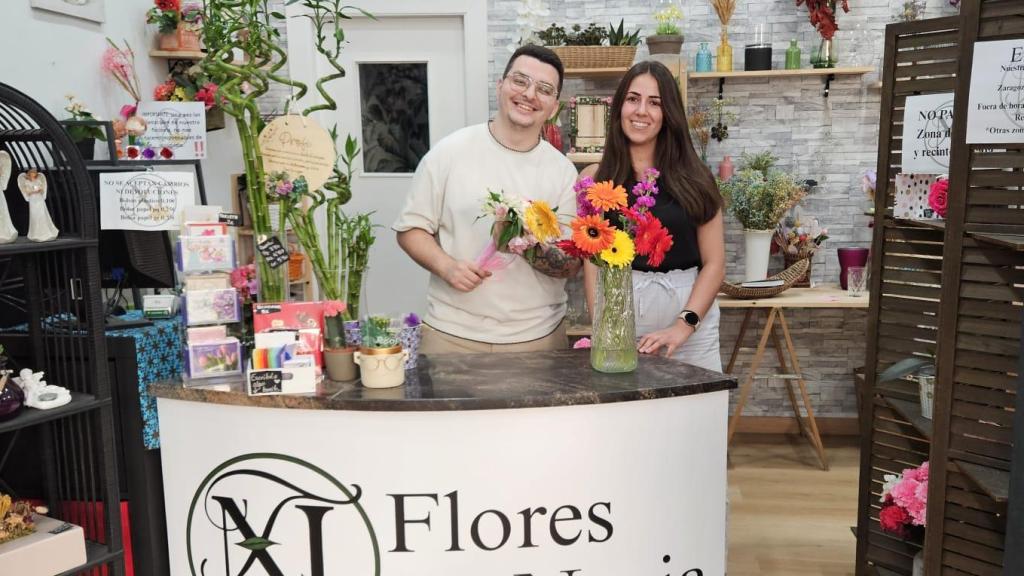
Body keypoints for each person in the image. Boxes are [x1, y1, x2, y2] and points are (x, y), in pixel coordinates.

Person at [393, 45, 580, 354]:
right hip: (452, 336)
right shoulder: (450, 152)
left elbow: (571, 264)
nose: (530, 94)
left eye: (544, 89)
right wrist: (447, 266)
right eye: (520, 81)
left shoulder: (562, 172)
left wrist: (524, 245)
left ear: (553, 106)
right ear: (500, 85)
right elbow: (410, 229)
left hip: (538, 339)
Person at [580, 60, 726, 372]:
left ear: (669, 114)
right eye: (633, 99)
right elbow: (592, 265)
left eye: (655, 102)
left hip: (692, 326)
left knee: (695, 415)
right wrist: (605, 330)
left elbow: (715, 263)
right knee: (629, 417)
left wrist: (684, 325)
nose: (641, 111)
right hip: (622, 321)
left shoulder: (697, 179)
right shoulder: (595, 180)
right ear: (619, 107)